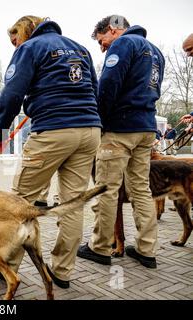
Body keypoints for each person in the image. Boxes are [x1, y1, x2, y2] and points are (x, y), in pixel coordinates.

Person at [0, 15, 102, 289]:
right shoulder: (80, 48)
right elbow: (94, 91)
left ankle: (6, 265)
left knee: (19, 200)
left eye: (15, 40)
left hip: (53, 131)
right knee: (72, 203)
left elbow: (12, 94)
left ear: (24, 32)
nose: (15, 46)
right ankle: (62, 271)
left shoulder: (30, 48)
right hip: (89, 131)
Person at [77, 15, 165, 270]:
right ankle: (146, 250)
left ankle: (100, 247)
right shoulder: (156, 51)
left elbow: (108, 85)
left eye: (102, 40)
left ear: (113, 31)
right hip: (146, 127)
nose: (102, 47)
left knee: (106, 188)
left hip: (120, 129)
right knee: (141, 189)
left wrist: (99, 120)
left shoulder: (123, 45)